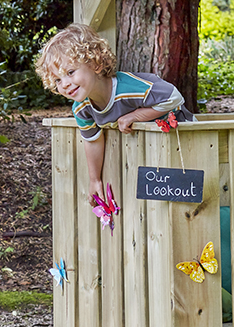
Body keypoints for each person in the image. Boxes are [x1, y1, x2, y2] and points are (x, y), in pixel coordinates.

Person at [35, 23, 194, 202]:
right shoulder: (81, 109)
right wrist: (95, 180)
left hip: (185, 141)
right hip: (153, 155)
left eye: (70, 72)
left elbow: (174, 97)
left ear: (95, 64)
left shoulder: (128, 88)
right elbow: (93, 141)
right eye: (57, 80)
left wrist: (134, 116)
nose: (64, 84)